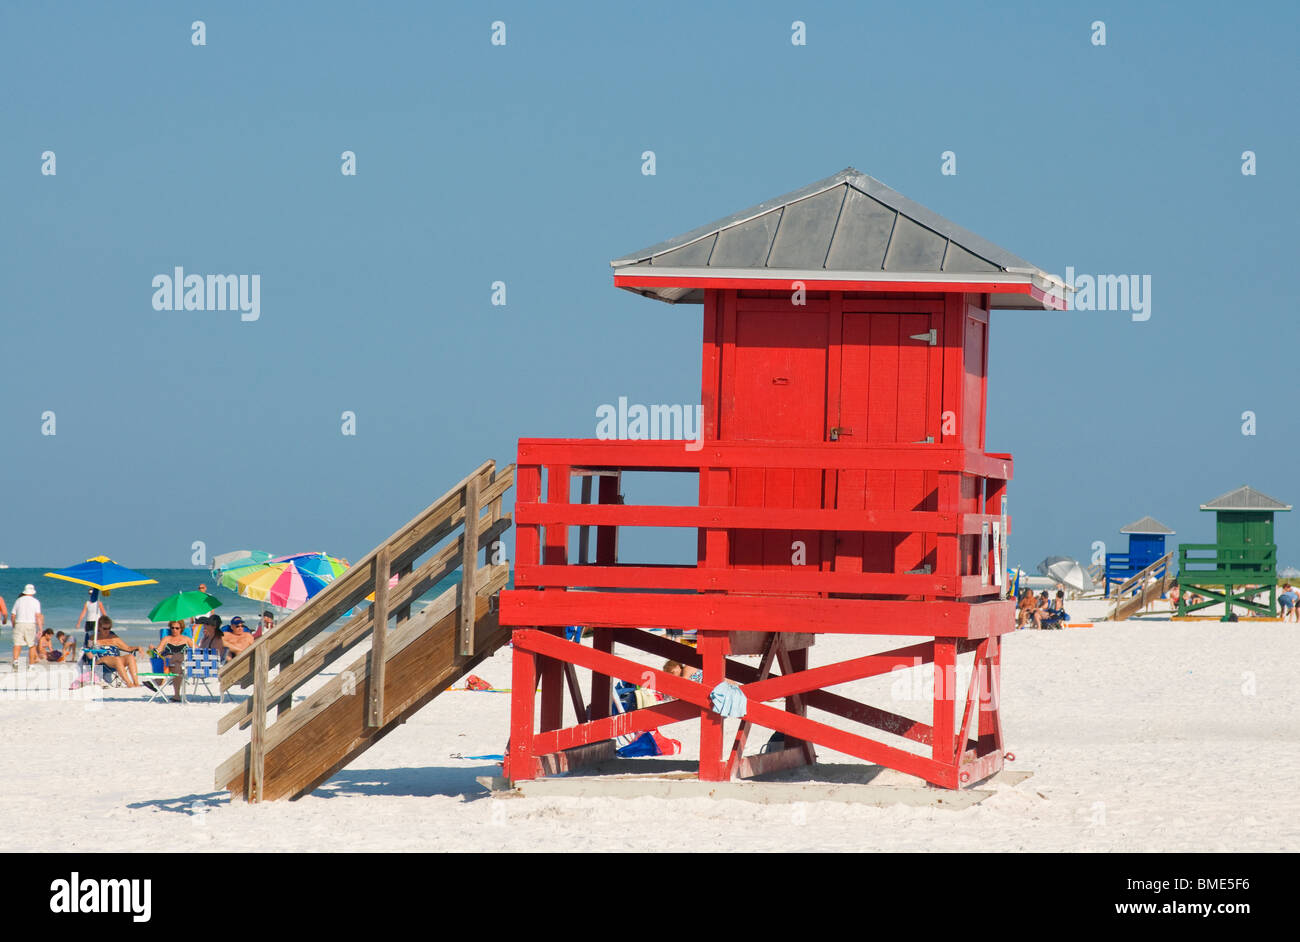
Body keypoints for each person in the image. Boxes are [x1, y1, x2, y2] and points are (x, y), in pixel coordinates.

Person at [89, 615, 145, 687]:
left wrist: (138, 647)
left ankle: (136, 683)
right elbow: (89, 652)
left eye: (109, 628)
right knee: (117, 659)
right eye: (105, 628)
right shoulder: (93, 638)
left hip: (116, 661)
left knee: (130, 657)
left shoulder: (114, 637)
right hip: (102, 661)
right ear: (99, 628)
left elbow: (128, 648)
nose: (107, 631)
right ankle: (129, 683)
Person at [146, 620, 194, 702]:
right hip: (169, 663)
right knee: (174, 663)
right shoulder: (166, 639)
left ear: (181, 628)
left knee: (178, 663)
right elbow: (158, 651)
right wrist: (152, 649)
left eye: (177, 628)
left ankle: (158, 682)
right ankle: (176, 695)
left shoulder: (187, 639)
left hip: (182, 663)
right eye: (172, 628)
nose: (174, 630)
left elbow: (197, 650)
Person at [11, 584, 44, 667]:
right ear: (33, 592)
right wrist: (40, 628)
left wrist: (13, 625)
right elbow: (38, 616)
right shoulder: (36, 601)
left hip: (19, 623)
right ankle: (31, 665)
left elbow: (13, 615)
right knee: (32, 645)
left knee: (17, 644)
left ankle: (15, 661)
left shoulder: (18, 600)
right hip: (30, 624)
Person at [74, 588, 108, 652]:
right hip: (90, 622)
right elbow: (83, 613)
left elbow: (104, 613)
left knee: (94, 636)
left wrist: (106, 622)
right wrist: (78, 622)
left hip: (95, 622)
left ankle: (94, 648)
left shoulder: (98, 603)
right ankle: (91, 649)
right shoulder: (88, 603)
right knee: (91, 637)